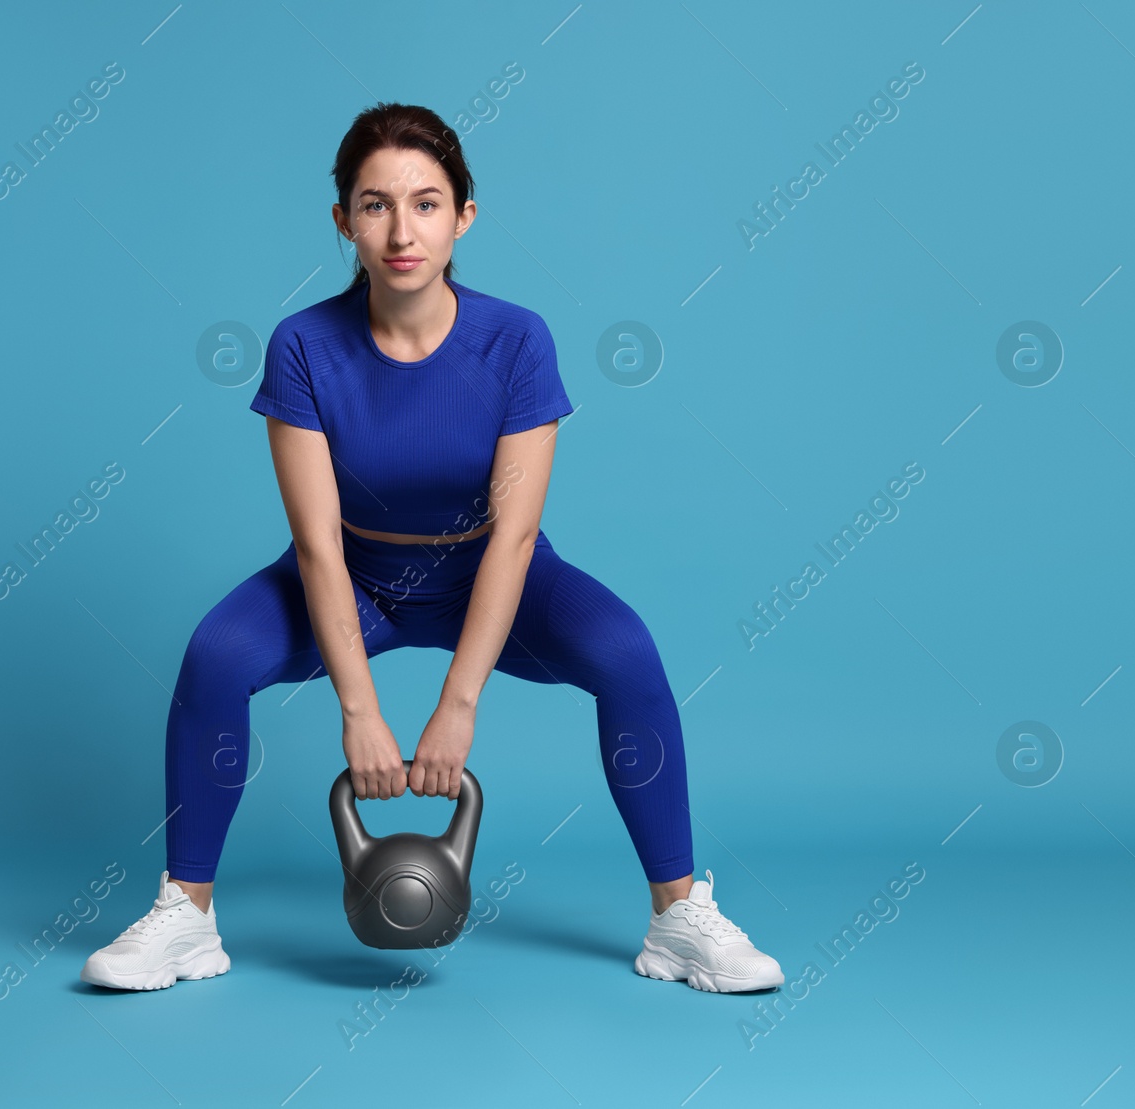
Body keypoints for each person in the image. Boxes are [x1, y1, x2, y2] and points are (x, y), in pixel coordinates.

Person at [81, 102, 783, 995]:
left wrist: (459, 705)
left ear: (464, 217)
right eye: (374, 205)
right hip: (355, 577)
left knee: (626, 652)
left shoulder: (516, 339)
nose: (401, 230)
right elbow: (316, 544)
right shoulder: (303, 345)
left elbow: (516, 532)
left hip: (492, 572)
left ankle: (679, 916)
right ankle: (186, 914)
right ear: (343, 221)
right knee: (216, 654)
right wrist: (360, 710)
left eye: (425, 203)